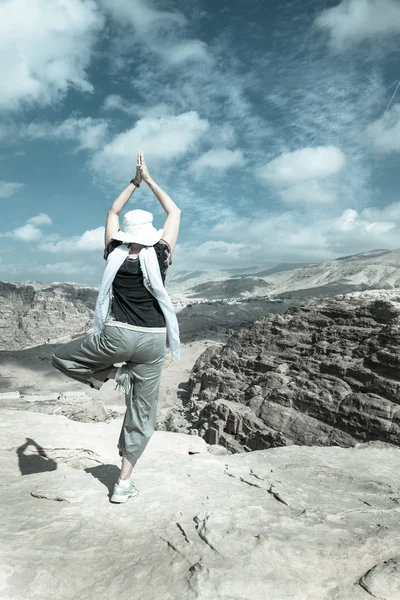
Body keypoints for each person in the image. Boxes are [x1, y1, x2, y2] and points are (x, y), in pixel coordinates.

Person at [52, 150, 181, 503]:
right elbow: (175, 212)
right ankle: (123, 484)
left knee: (60, 358)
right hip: (154, 342)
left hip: (117, 337)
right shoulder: (162, 255)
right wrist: (151, 180)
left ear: (124, 234)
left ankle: (111, 376)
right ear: (152, 235)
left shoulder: (114, 253)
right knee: (143, 410)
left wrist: (133, 182)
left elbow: (111, 212)